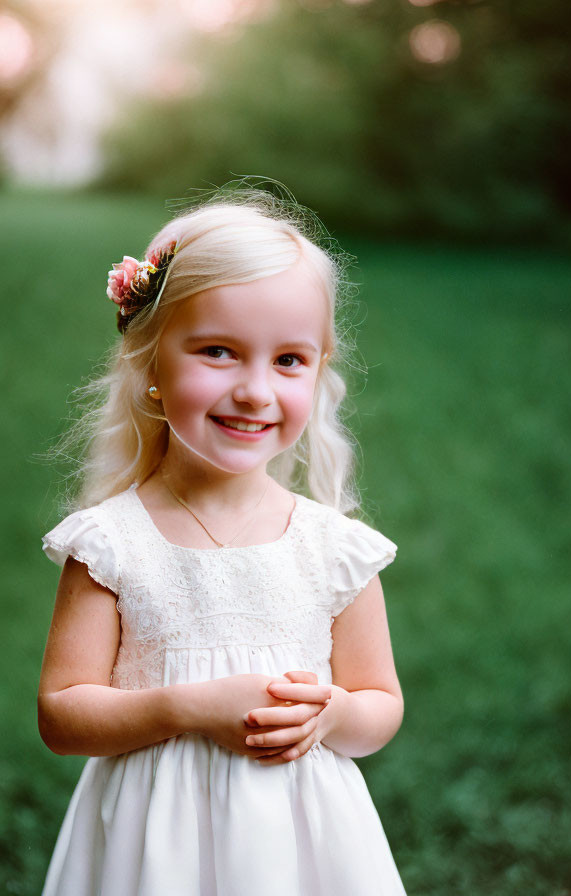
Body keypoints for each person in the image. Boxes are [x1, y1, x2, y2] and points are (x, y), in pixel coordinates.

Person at [38, 194, 406, 895]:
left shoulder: (334, 548)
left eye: (289, 360)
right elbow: (62, 714)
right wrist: (189, 707)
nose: (255, 390)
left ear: (320, 372)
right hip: (153, 848)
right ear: (151, 360)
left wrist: (335, 712)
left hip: (301, 848)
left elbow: (378, 702)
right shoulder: (113, 543)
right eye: (218, 352)